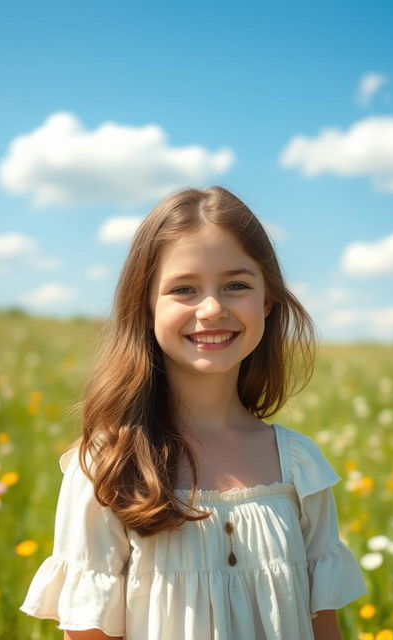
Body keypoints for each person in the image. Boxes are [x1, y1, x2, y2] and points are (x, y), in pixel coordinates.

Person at [19, 186, 367, 640]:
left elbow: (324, 626)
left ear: (266, 301)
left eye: (236, 285)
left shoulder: (299, 464)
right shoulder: (108, 467)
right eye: (184, 289)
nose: (212, 309)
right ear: (145, 308)